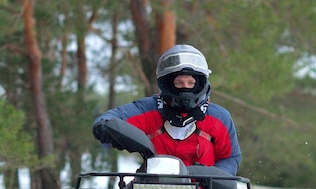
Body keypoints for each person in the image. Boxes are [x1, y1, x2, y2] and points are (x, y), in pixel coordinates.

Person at [92, 44, 241, 177]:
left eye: (191, 82)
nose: (185, 87)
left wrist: (213, 180)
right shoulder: (149, 109)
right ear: (167, 84)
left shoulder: (219, 118)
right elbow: (111, 118)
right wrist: (108, 129)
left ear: (201, 83)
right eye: (178, 82)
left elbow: (230, 157)